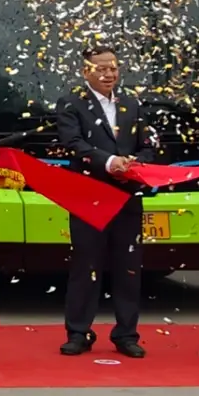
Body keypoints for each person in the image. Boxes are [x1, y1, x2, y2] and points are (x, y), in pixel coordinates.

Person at [54, 43, 155, 359]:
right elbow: (72, 143)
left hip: (127, 196)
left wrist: (135, 164)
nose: (109, 74)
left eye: (113, 67)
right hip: (90, 196)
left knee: (128, 267)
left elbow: (149, 145)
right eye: (101, 68)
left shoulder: (131, 104)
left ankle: (126, 334)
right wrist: (110, 162)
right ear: (86, 71)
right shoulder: (71, 103)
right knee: (86, 265)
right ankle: (78, 332)